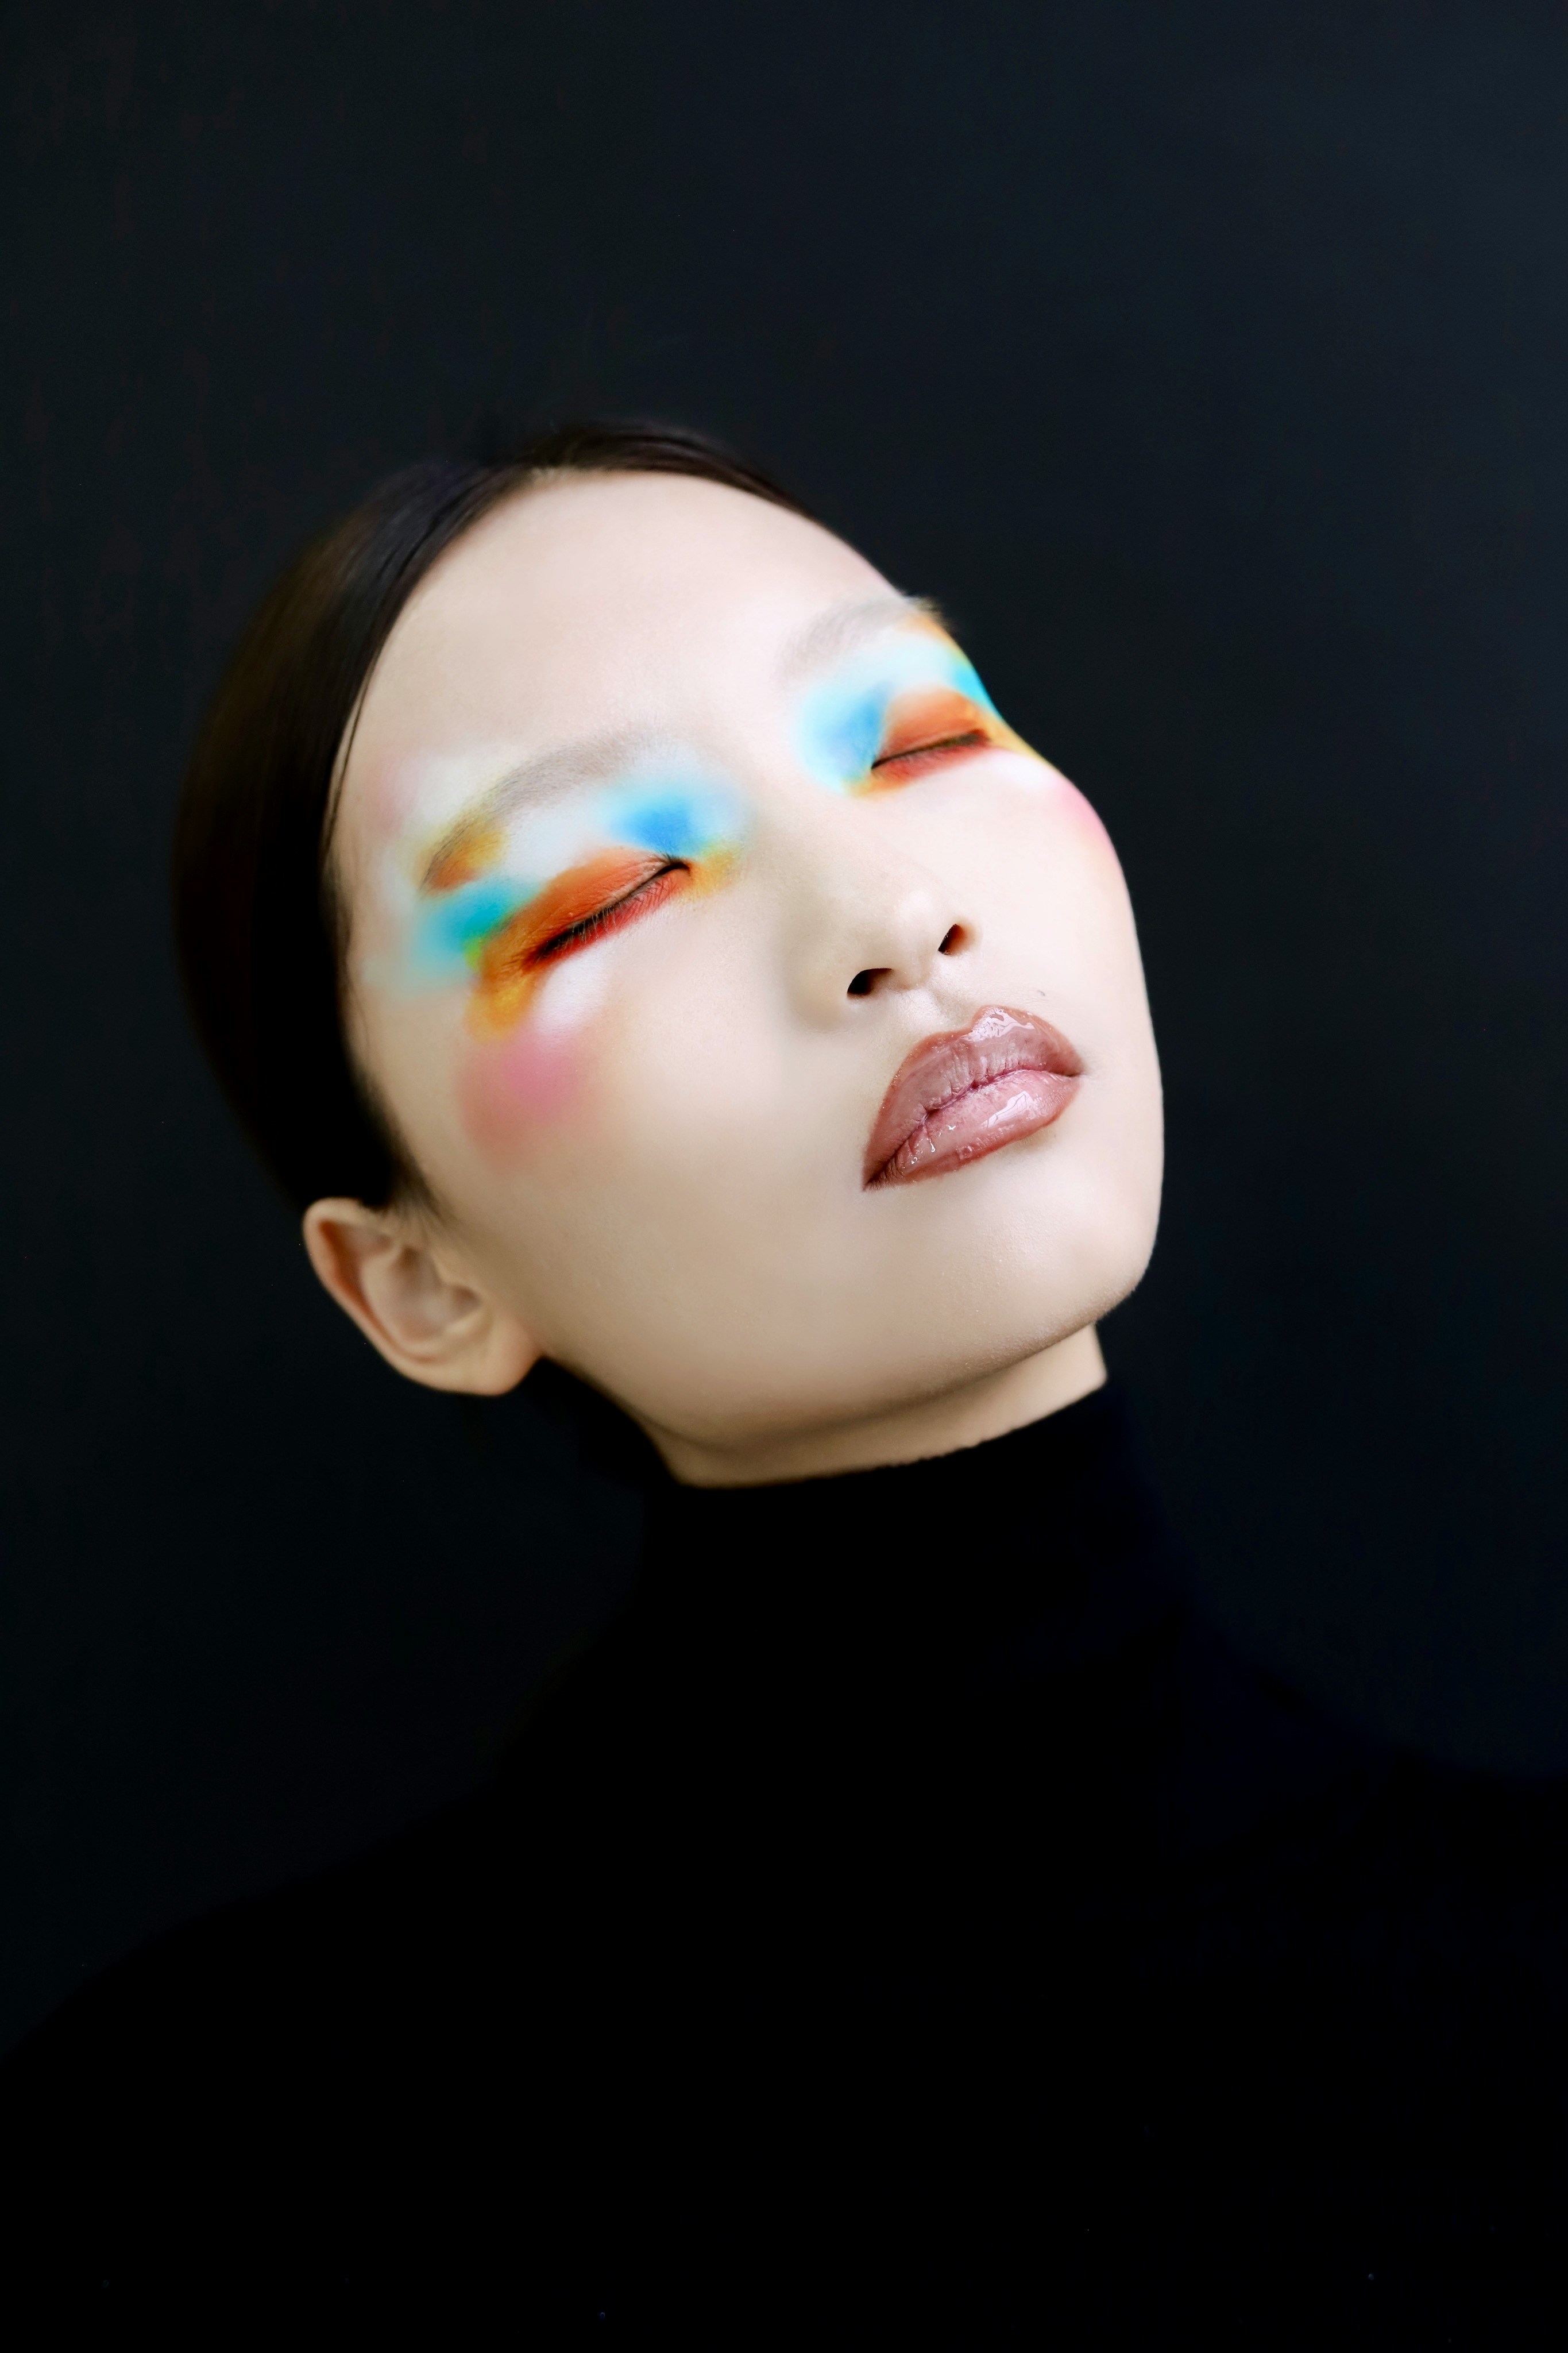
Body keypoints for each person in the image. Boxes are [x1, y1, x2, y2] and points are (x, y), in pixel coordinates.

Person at [3, 423, 1563, 2339]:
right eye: (603, 897)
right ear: (417, 1285)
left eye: (914, 738)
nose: (891, 917)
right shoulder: (191, 2167)